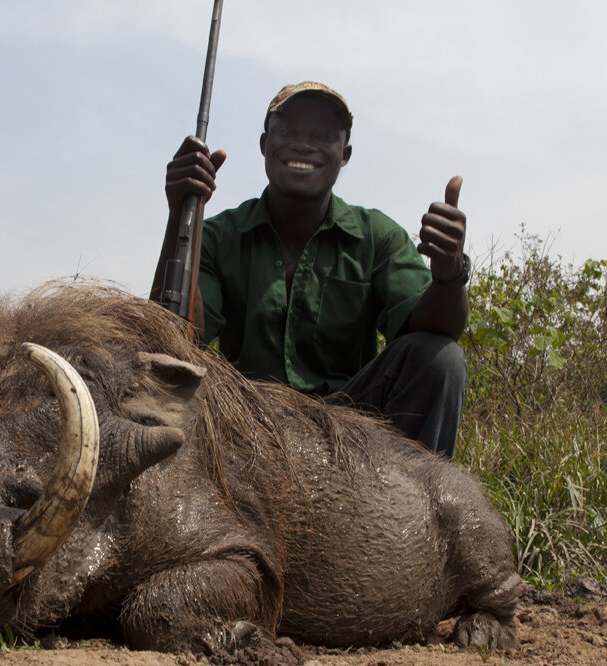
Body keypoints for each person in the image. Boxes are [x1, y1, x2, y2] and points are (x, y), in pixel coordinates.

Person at [152, 81, 471, 457]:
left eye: (324, 136)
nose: (303, 145)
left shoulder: (377, 237)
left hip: (353, 431)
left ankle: (421, 509)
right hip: (243, 426)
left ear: (345, 153)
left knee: (443, 359)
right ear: (263, 145)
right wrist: (182, 215)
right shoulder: (219, 235)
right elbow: (178, 338)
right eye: (287, 132)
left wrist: (450, 271)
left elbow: (439, 333)